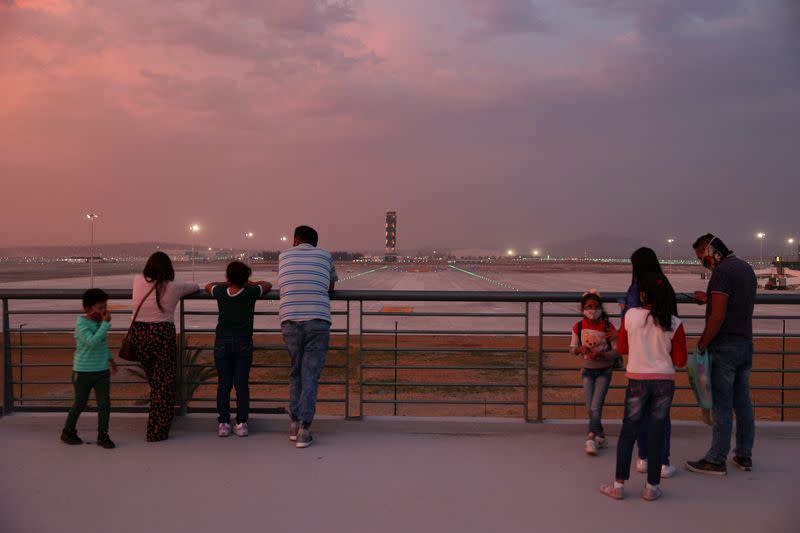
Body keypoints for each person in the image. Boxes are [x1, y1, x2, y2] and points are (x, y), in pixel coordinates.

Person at [600, 273, 687, 502]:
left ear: (641, 296)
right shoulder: (674, 322)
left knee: (629, 431)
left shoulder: (630, 316)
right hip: (664, 382)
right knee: (657, 432)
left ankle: (618, 485)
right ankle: (651, 487)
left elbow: (622, 347)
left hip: (637, 380)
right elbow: (680, 360)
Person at [686, 234, 757, 475]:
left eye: (701, 258)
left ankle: (716, 459)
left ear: (711, 250)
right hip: (745, 343)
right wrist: (709, 299)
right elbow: (735, 301)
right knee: (743, 402)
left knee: (723, 406)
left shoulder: (722, 272)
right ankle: (744, 455)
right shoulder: (745, 268)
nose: (702, 263)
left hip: (725, 346)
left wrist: (702, 344)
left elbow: (718, 317)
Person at [278, 225, 338, 448]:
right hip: (318, 319)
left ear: (295, 241)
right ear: (315, 242)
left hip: (290, 319)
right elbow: (330, 285)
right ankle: (304, 429)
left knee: (296, 373)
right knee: (310, 375)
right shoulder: (325, 255)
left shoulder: (284, 255)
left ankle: (294, 424)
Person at [130, 252, 199, 441]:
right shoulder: (175, 287)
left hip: (139, 335)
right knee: (163, 385)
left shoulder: (137, 281)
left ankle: (158, 423)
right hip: (162, 335)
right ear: (169, 268)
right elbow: (196, 286)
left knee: (155, 381)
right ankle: (156, 431)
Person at [622, 247, 678, 479]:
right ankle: (663, 462)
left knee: (639, 416)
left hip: (639, 365)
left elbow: (629, 320)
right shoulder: (665, 285)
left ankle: (643, 457)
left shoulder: (638, 288)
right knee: (661, 417)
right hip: (663, 364)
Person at [205, 261, 272, 438]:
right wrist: (249, 283)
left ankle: (223, 423)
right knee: (241, 384)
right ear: (246, 277)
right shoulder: (250, 292)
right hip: (243, 342)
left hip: (222, 342)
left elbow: (208, 286)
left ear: (228, 277)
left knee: (223, 384)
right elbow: (267, 285)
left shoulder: (220, 292)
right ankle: (242, 423)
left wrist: (225, 283)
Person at [61, 288, 118, 449]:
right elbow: (92, 342)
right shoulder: (81, 324)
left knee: (104, 403)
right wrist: (105, 324)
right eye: (100, 308)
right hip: (83, 371)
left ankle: (103, 434)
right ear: (87, 309)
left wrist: (111, 360)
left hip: (101, 371)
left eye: (104, 307)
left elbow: (102, 344)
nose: (103, 311)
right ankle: (68, 431)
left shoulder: (100, 323)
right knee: (80, 402)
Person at [570, 290, 618, 455]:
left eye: (596, 307)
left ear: (601, 308)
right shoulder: (579, 326)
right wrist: (578, 349)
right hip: (587, 371)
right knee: (590, 408)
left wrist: (603, 354)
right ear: (583, 309)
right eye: (589, 307)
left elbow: (617, 351)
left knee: (595, 407)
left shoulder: (607, 326)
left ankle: (591, 438)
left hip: (604, 371)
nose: (592, 310)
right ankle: (601, 435)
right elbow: (571, 348)